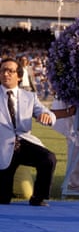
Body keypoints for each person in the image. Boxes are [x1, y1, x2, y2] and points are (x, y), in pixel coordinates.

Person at [0, 57, 56, 206]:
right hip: (2, 148)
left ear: (19, 76)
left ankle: (39, 198)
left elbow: (45, 112)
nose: (6, 74)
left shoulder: (29, 97)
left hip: (24, 145)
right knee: (3, 199)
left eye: (10, 71)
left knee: (48, 158)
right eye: (3, 70)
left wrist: (47, 116)